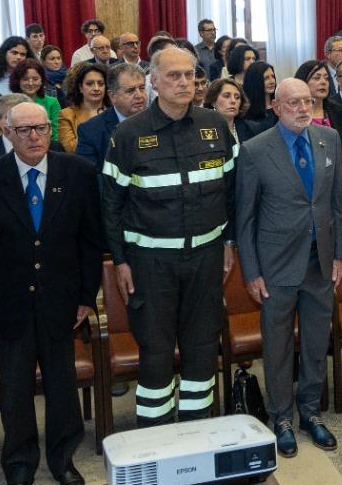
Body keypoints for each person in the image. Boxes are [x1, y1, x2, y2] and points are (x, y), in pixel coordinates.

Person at [0, 102, 102, 485]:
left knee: (62, 384)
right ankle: (19, 468)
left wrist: (85, 297)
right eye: (24, 131)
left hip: (62, 300)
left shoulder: (77, 172)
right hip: (8, 303)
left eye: (40, 128)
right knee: (16, 388)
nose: (34, 137)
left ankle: (63, 461)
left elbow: (90, 242)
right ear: (8, 132)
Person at [102, 46, 239, 425]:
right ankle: (155, 435)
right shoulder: (129, 134)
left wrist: (229, 242)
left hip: (206, 258)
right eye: (174, 75)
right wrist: (121, 260)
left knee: (201, 347)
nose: (184, 82)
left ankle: (197, 431)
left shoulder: (214, 125)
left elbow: (231, 191)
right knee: (157, 352)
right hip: (151, 264)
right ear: (154, 82)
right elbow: (111, 204)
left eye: (189, 75)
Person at [234, 80, 342, 458]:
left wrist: (340, 255)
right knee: (279, 346)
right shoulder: (254, 150)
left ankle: (310, 413)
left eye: (308, 101)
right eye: (294, 102)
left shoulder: (328, 140)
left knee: (316, 344)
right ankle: (281, 418)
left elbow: (334, 205)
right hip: (276, 267)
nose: (303, 108)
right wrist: (251, 272)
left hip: (320, 263)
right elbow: (244, 219)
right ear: (276, 107)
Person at [297, 60, 342, 201]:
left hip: (337, 193)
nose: (323, 82)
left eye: (326, 78)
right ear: (302, 82)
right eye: (317, 78)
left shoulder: (339, 111)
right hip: (303, 194)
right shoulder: (295, 114)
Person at [77, 63, 149, 171]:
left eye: (142, 88)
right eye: (130, 90)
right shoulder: (90, 131)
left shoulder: (160, 121)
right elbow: (91, 178)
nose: (139, 95)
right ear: (112, 96)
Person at [57, 63, 108, 153]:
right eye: (89, 84)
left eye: (101, 84)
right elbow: (71, 149)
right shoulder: (67, 115)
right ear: (80, 87)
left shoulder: (116, 111)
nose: (96, 88)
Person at [10, 58, 62, 140]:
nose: (30, 83)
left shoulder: (52, 103)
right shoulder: (10, 103)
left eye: (35, 79)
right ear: (18, 81)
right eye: (25, 79)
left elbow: (56, 134)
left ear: (42, 80)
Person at [240, 60, 279, 138]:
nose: (272, 81)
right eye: (266, 78)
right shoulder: (246, 112)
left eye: (273, 76)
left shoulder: (279, 105)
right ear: (255, 81)